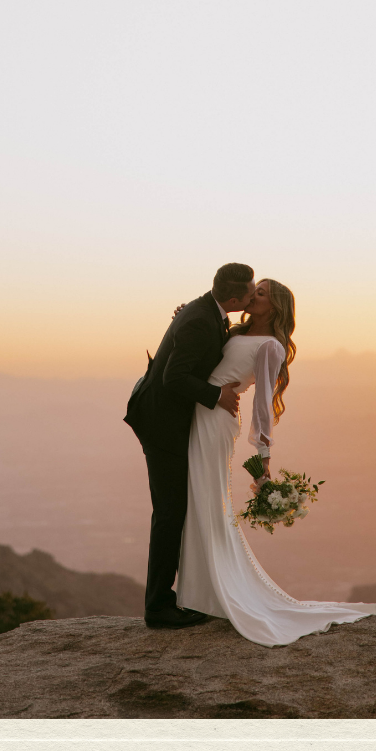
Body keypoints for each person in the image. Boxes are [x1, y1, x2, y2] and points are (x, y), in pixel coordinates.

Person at [176, 277, 376, 646]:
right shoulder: (233, 332)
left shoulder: (271, 346)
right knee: (198, 499)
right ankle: (201, 594)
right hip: (200, 410)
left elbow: (262, 404)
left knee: (208, 499)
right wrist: (184, 321)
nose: (253, 296)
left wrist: (264, 457)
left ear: (276, 307)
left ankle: (214, 595)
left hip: (216, 419)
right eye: (254, 291)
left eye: (262, 294)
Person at [125, 263, 257, 628]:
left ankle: (182, 596)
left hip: (167, 419)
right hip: (162, 425)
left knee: (176, 510)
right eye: (249, 294)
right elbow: (175, 377)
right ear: (234, 299)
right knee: (169, 513)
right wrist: (218, 395)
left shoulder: (206, 312)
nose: (252, 297)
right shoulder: (200, 318)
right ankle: (158, 608)